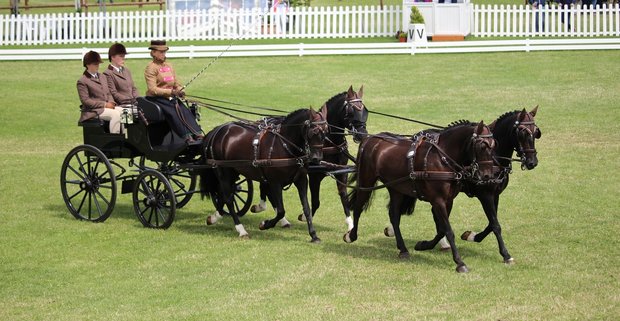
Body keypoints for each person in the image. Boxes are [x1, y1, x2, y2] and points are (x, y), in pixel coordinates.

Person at [144, 40, 203, 144]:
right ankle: (186, 136)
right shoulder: (151, 68)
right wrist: (170, 92)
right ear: (153, 53)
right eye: (160, 52)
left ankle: (197, 133)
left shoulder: (169, 66)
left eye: (164, 52)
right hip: (156, 98)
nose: (163, 54)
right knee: (173, 111)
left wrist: (180, 90)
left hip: (170, 97)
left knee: (185, 110)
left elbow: (176, 83)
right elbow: (153, 89)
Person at [77, 50, 123, 134]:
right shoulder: (82, 81)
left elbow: (108, 93)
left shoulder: (102, 77)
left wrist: (111, 102)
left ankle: (126, 136)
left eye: (98, 64)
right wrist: (105, 104)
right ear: (87, 65)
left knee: (124, 112)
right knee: (115, 115)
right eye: (95, 64)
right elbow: (86, 101)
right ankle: (115, 140)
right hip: (92, 111)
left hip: (106, 107)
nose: (97, 66)